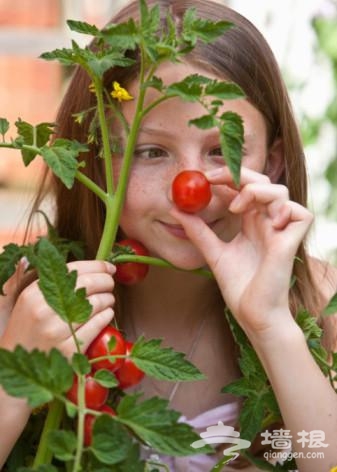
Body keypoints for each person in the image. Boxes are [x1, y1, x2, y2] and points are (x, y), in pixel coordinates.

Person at [1, 0, 337, 470]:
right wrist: (13, 380)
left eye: (221, 150)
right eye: (152, 151)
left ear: (273, 162)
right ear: (95, 157)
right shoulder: (22, 308)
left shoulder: (323, 308)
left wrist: (271, 326)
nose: (189, 192)